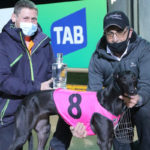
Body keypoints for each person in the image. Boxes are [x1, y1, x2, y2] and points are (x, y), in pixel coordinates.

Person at [51, 11, 150, 150]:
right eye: (110, 34)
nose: (115, 38)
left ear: (129, 31)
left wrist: (138, 99)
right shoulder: (97, 57)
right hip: (115, 109)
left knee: (147, 110)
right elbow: (93, 95)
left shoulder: (144, 49)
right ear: (105, 34)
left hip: (139, 103)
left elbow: (146, 84)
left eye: (119, 32)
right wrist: (82, 122)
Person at [0, 0, 55, 149]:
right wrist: (38, 87)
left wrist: (57, 78)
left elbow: (50, 74)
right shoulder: (3, 43)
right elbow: (3, 80)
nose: (30, 23)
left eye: (33, 19)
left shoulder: (44, 42)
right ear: (14, 18)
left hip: (38, 109)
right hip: (10, 114)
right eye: (25, 18)